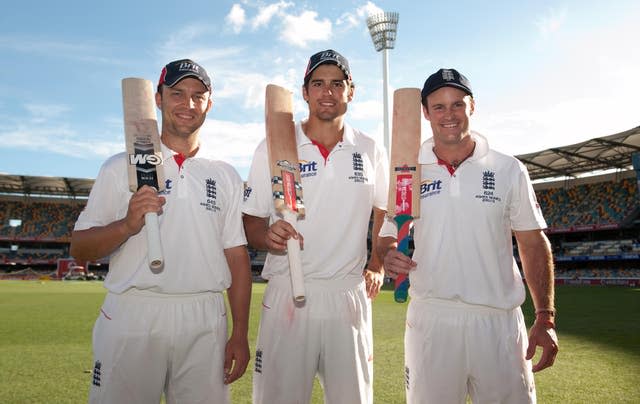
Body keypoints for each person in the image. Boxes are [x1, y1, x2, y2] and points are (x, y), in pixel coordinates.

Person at [70, 59, 251, 404]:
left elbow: (237, 256)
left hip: (205, 316)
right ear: (158, 98)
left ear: (209, 105)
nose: (188, 104)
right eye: (178, 93)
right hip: (134, 312)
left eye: (198, 96)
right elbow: (80, 248)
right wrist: (126, 225)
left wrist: (240, 333)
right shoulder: (118, 166)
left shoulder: (225, 174)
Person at [378, 68, 558, 403]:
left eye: (457, 105)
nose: (449, 115)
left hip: (497, 322)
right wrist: (387, 253)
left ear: (472, 107)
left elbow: (533, 244)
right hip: (433, 318)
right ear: (425, 112)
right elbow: (386, 236)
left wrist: (545, 317)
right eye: (439, 107)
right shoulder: (407, 170)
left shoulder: (507, 169)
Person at [242, 49, 388, 404]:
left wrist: (377, 262)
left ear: (350, 91)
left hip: (348, 294)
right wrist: (268, 237)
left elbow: (385, 208)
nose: (327, 92)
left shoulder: (370, 149)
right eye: (318, 84)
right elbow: (250, 220)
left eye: (337, 84)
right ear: (304, 92)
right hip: (288, 291)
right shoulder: (275, 144)